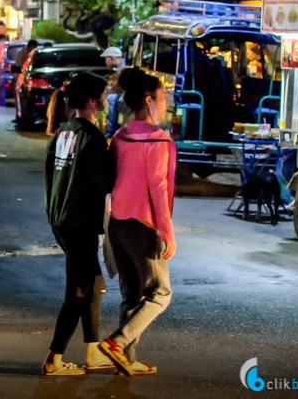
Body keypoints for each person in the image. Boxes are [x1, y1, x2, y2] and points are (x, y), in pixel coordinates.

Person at [98, 67, 176, 377]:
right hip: (143, 226)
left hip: (117, 223)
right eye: (162, 97)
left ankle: (125, 359)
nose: (165, 103)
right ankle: (118, 343)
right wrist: (167, 232)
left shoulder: (120, 136)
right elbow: (158, 189)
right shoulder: (156, 140)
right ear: (148, 99)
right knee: (160, 293)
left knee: (131, 295)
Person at [42, 72, 115, 376]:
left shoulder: (63, 132)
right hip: (80, 222)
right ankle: (54, 359)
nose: (107, 100)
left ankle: (93, 351)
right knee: (80, 291)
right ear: (91, 101)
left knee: (94, 284)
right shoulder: (91, 137)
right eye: (104, 95)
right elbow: (105, 182)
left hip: (61, 220)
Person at [101, 47, 126, 138]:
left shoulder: (122, 69)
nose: (105, 62)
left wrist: (106, 90)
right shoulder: (121, 67)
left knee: (111, 99)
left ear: (112, 58)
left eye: (106, 59)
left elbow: (118, 88)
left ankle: (109, 132)